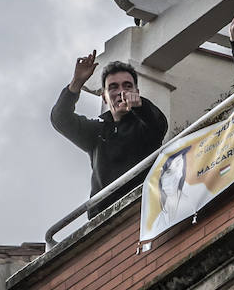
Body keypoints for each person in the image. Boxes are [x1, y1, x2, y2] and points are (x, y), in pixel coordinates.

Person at [51, 51, 169, 217]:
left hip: (142, 210)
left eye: (127, 86)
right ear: (104, 98)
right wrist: (77, 82)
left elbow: (158, 124)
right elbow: (60, 119)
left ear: (137, 91)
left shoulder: (146, 123)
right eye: (113, 87)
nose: (121, 92)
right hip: (103, 221)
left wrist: (140, 106)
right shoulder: (97, 131)